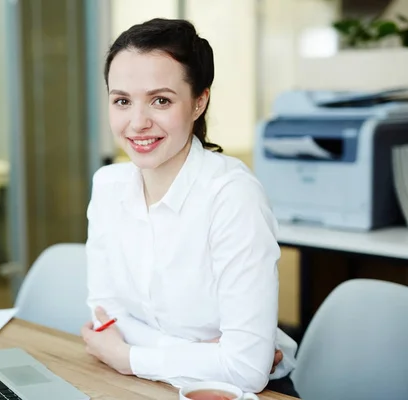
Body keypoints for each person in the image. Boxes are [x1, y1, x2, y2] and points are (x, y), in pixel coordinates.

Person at [80, 18, 299, 397]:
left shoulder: (232, 196)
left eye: (160, 100)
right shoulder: (108, 185)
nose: (137, 123)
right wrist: (199, 353)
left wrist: (128, 357)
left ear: (199, 102)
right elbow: (105, 317)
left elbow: (245, 370)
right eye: (122, 101)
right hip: (145, 386)